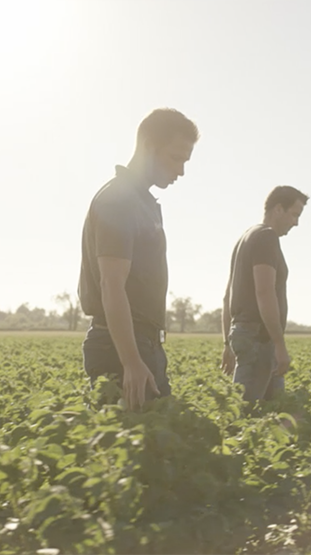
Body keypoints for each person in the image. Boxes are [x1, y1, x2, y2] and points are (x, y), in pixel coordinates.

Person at [78, 108, 199, 411]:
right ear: (148, 146)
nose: (181, 171)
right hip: (120, 347)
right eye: (176, 158)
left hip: (143, 343)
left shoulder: (141, 201)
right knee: (128, 437)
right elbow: (111, 285)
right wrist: (131, 361)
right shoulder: (119, 200)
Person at [221, 186, 308, 401]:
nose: (296, 223)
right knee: (249, 411)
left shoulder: (246, 238)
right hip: (258, 339)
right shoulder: (266, 237)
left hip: (247, 335)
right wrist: (279, 344)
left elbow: (227, 297)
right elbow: (265, 291)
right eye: (294, 214)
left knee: (273, 408)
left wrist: (227, 343)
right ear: (278, 209)